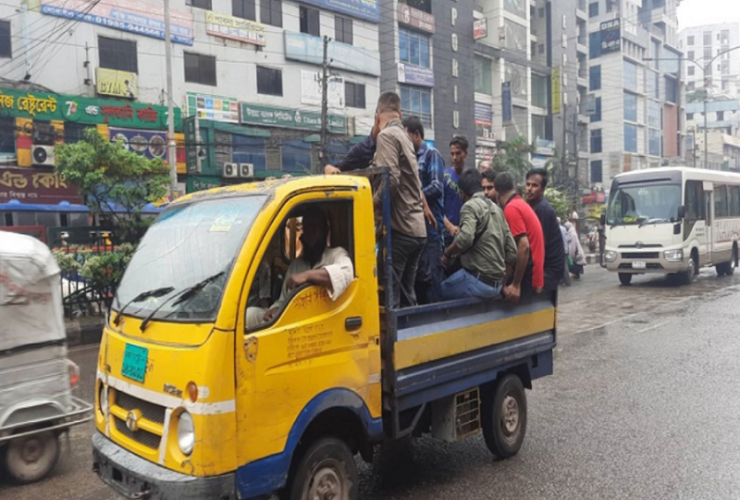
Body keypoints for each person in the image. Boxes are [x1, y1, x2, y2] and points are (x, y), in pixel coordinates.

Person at [246, 207, 353, 329]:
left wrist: (307, 275)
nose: (310, 233)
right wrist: (274, 309)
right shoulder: (297, 265)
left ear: (325, 231)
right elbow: (283, 300)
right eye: (307, 229)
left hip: (322, 324)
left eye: (314, 228)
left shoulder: (336, 254)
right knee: (250, 315)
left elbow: (346, 273)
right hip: (292, 321)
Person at [372, 92, 427, 308]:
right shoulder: (405, 136)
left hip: (401, 231)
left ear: (378, 116)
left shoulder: (386, 137)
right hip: (417, 230)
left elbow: (391, 180)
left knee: (390, 299)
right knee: (407, 295)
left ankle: (394, 343)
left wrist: (371, 202)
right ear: (400, 113)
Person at [440, 169, 517, 301]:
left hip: (478, 282)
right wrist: (502, 283)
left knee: (440, 290)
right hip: (497, 286)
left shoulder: (469, 206)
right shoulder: (497, 209)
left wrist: (447, 254)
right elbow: (512, 252)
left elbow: (465, 239)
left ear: (462, 193)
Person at [403, 116, 446, 304]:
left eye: (406, 137)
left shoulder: (431, 154)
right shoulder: (409, 159)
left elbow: (437, 187)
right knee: (419, 277)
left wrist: (415, 196)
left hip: (431, 227)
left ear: (416, 135)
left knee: (432, 278)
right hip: (415, 228)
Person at [493, 172, 545, 303]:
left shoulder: (511, 209)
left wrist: (516, 284)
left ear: (498, 194)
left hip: (529, 275)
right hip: (535, 272)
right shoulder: (520, 203)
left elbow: (524, 247)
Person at [525, 169, 565, 292]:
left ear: (542, 190)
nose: (530, 189)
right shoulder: (532, 206)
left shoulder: (542, 210)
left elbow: (538, 246)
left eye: (535, 185)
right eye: (528, 184)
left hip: (549, 270)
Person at [443, 136, 469, 248]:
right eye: (452, 154)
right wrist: (449, 227)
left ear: (465, 154)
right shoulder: (444, 176)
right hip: (446, 236)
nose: (454, 157)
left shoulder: (470, 177)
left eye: (458, 153)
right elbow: (437, 207)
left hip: (467, 236)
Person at [557, 217, 571, 286]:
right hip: (565, 249)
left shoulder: (556, 229)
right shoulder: (563, 228)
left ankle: (566, 280)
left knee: (563, 266)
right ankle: (564, 280)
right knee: (564, 265)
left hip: (560, 250)